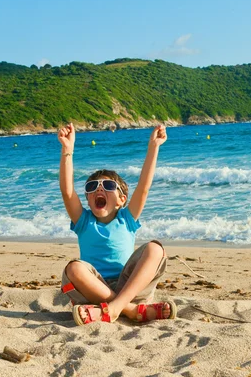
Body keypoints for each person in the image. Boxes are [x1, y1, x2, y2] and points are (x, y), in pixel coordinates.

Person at [57, 122, 176, 325]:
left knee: (155, 249)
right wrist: (67, 151)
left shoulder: (126, 219)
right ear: (87, 198)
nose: (99, 190)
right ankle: (128, 310)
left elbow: (144, 187)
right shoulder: (84, 221)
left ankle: (112, 308)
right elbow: (68, 192)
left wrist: (153, 147)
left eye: (108, 185)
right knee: (74, 268)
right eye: (92, 186)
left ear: (122, 200)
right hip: (94, 288)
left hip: (130, 285)